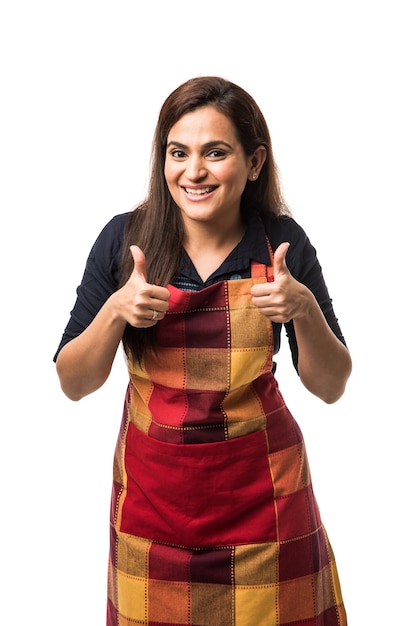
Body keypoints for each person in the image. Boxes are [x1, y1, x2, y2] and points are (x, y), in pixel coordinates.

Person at [54, 76, 352, 626]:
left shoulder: (280, 244)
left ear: (254, 162)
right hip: (153, 506)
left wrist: (303, 308)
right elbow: (73, 381)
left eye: (216, 152)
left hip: (266, 503)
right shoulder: (125, 243)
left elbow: (331, 386)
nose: (193, 172)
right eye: (178, 153)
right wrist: (115, 311)